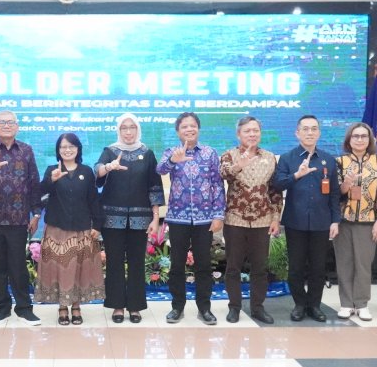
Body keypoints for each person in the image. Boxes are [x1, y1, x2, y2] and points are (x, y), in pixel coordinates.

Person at [0, 110, 42, 326]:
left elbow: (34, 183)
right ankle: (2, 309)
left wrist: (36, 214)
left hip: (18, 220)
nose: (6, 125)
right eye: (2, 122)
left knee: (18, 267)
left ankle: (24, 309)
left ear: (17, 126)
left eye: (10, 122)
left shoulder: (26, 151)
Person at [156, 112, 225, 325]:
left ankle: (204, 308)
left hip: (204, 219)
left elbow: (217, 185)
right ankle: (177, 307)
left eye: (192, 125)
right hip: (178, 218)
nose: (189, 129)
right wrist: (173, 161)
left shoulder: (210, 153)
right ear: (178, 131)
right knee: (177, 265)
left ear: (198, 129)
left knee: (203, 265)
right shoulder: (171, 152)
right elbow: (160, 169)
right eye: (184, 126)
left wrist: (218, 214)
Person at [95, 113, 163, 324]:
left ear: (138, 129)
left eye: (132, 127)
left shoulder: (147, 153)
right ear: (118, 130)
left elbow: (154, 186)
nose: (128, 131)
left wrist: (155, 218)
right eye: (124, 127)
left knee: (137, 262)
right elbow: (97, 172)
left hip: (140, 218)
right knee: (114, 262)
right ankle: (117, 305)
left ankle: (135, 306)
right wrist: (109, 167)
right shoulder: (110, 151)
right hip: (112, 217)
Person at [273, 115, 340, 322]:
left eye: (314, 129)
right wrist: (297, 176)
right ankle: (299, 304)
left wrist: (335, 220)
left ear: (319, 132)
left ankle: (314, 305)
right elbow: (277, 185)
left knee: (318, 268)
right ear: (297, 133)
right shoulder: (287, 158)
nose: (310, 132)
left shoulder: (329, 160)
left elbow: (335, 193)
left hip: (321, 221)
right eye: (305, 129)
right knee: (296, 267)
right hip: (296, 221)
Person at [218, 116, 282, 324]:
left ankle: (257, 308)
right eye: (247, 131)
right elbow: (223, 174)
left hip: (263, 220)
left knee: (260, 268)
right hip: (235, 219)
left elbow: (275, 191)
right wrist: (239, 165)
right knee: (233, 267)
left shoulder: (270, 157)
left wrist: (275, 217)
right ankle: (234, 307)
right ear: (239, 134)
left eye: (255, 130)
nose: (252, 134)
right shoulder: (229, 155)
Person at [38, 133, 104, 325]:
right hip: (57, 229)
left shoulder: (87, 171)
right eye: (63, 147)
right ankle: (62, 306)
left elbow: (93, 200)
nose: (67, 150)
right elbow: (40, 193)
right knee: (60, 268)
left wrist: (97, 225)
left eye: (71, 146)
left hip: (81, 229)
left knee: (78, 269)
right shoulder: (52, 170)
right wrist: (51, 180)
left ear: (78, 149)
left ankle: (76, 306)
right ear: (58, 150)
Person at [334, 122, 377, 321]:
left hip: (368, 221)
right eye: (355, 136)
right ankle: (346, 303)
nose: (359, 139)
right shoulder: (339, 162)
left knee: (364, 264)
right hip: (343, 220)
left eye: (364, 136)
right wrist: (347, 183)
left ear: (370, 140)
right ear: (349, 140)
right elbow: (335, 193)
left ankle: (361, 304)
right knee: (344, 263)